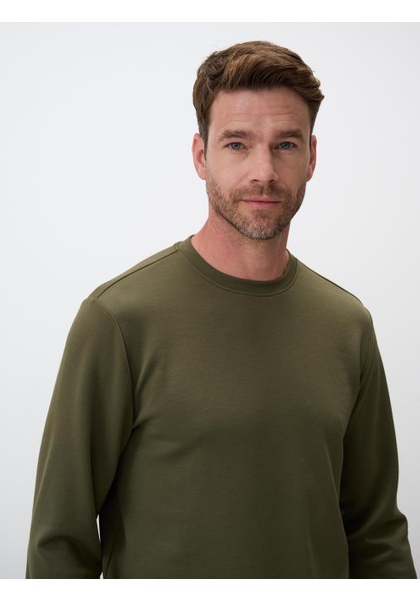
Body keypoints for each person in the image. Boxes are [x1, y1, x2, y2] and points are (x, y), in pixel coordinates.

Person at [26, 40, 417, 579]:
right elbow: (59, 546)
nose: (264, 171)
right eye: (237, 144)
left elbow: (376, 535)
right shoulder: (117, 320)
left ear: (311, 157)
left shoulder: (347, 325)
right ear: (200, 155)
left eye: (285, 144)